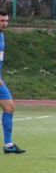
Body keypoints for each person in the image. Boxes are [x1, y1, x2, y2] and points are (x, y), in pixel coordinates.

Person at [0, 11, 25, 154]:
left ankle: (8, 145)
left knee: (9, 108)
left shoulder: (2, 36)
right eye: (2, 20)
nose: (4, 23)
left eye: (6, 20)